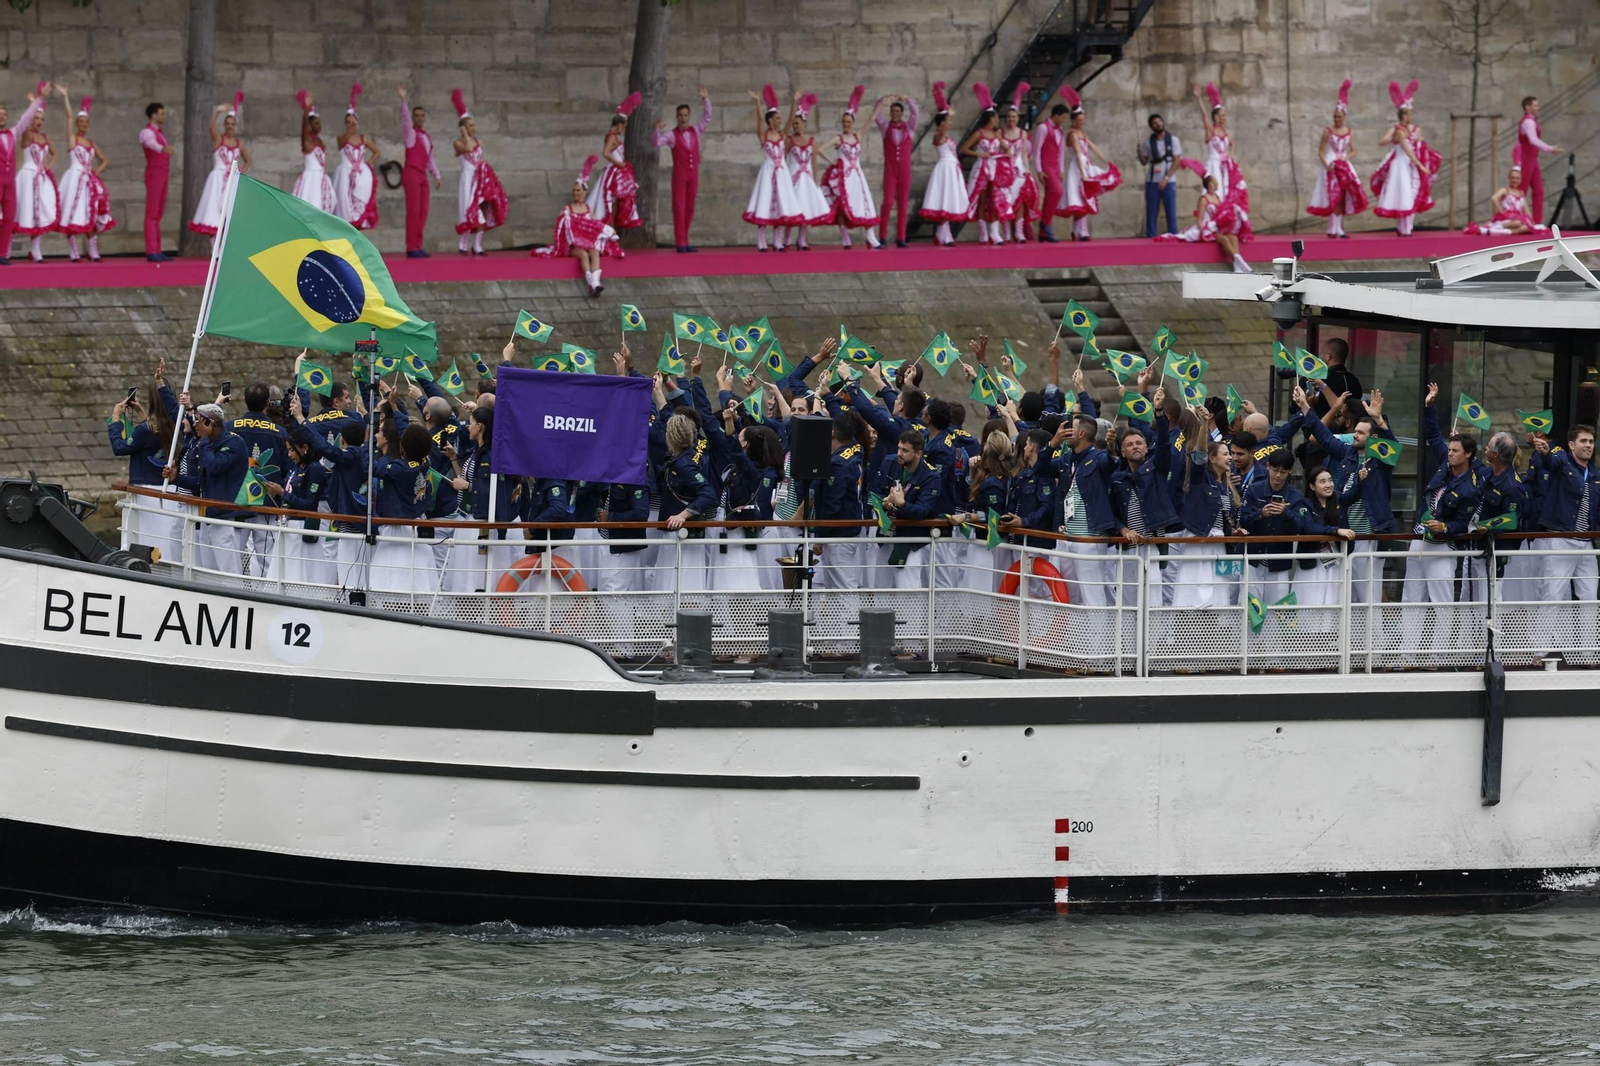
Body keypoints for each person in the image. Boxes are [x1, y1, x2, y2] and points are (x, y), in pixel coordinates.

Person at [1295, 384, 1396, 605]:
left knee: (1368, 598)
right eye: (1356, 431)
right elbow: (1325, 437)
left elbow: (1392, 446)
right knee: (1349, 598)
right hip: (1347, 536)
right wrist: (1304, 406)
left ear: (1373, 437)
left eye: (1360, 433)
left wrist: (1379, 421)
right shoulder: (1349, 454)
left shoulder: (1381, 461)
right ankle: (1352, 641)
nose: (1355, 435)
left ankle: (1374, 640)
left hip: (1369, 535)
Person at [1241, 449, 1355, 641]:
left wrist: (1285, 512)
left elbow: (1300, 527)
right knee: (1251, 605)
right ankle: (1248, 655)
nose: (1278, 475)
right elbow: (1243, 520)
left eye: (1283, 472)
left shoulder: (1294, 496)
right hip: (1254, 557)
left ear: (1289, 472)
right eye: (1275, 470)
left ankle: (1274, 656)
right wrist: (1261, 513)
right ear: (1267, 467)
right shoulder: (1254, 490)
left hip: (1280, 560)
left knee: (1280, 607)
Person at [1529, 423, 1600, 665]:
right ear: (1572, 444)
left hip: (1586, 542)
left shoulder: (1596, 474)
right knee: (1553, 595)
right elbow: (1552, 461)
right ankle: (1539, 653)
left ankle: (1589, 654)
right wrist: (1545, 450)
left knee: (1590, 597)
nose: (1588, 446)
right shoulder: (1562, 461)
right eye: (1583, 441)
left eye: (1591, 442)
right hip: (1561, 538)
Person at [163, 402, 248, 577]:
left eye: (199, 420)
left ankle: (236, 598)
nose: (195, 424)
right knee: (207, 571)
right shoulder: (205, 444)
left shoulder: (233, 443)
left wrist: (204, 440)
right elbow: (200, 482)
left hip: (224, 516)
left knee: (228, 570)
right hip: (206, 516)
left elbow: (214, 466)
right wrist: (176, 478)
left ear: (211, 423)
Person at [1173, 407, 1241, 612]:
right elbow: (1200, 456)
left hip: (1219, 543)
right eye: (1225, 454)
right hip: (1199, 540)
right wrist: (1203, 425)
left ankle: (1213, 637)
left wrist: (1235, 530)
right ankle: (1188, 637)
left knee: (1219, 594)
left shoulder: (1228, 487)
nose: (1230, 458)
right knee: (1193, 593)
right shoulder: (1200, 479)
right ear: (1212, 459)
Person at [1054, 410, 1118, 610]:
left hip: (1090, 537)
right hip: (1069, 537)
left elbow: (1110, 463)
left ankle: (1098, 641)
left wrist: (1112, 448)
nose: (1066, 431)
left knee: (1092, 594)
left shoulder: (1098, 457)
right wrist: (1052, 444)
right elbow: (1040, 468)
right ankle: (1077, 640)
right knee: (1073, 594)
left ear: (1081, 433)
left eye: (1070, 428)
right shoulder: (1068, 459)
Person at [532, 157, 619, 296]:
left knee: (595, 252)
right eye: (574, 190)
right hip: (575, 246)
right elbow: (562, 229)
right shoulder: (567, 209)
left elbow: (592, 227)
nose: (575, 193)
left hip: (588, 243)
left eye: (578, 190)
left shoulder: (588, 209)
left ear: (584, 192)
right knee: (584, 255)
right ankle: (592, 283)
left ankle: (596, 282)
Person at [872, 430, 942, 589]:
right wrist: (883, 504)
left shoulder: (931, 476)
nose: (899, 453)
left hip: (911, 538)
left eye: (904, 450)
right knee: (880, 587)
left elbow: (923, 511)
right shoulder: (889, 462)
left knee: (908, 589)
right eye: (898, 448)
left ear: (918, 453)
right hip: (886, 534)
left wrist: (902, 504)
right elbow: (874, 491)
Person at [1371, 79, 1440, 237]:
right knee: (1403, 195)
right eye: (1410, 113)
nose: (1412, 116)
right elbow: (1403, 149)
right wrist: (1394, 139)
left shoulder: (1415, 130)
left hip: (1410, 165)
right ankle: (1404, 228)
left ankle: (1406, 227)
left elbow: (1419, 146)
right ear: (1404, 115)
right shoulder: (1398, 131)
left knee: (1412, 194)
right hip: (1402, 164)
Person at [1156, 164, 1251, 273]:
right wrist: (1203, 230)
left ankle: (1237, 264)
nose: (1217, 184)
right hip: (1208, 227)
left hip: (1217, 227)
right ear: (1210, 185)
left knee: (1233, 237)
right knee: (1224, 239)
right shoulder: (1203, 199)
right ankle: (1238, 261)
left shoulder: (1217, 198)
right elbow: (1200, 218)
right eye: (1214, 183)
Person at [55, 89, 115, 262]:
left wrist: (95, 171)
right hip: (74, 178)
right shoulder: (72, 139)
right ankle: (73, 250)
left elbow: (104, 160)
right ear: (76, 123)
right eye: (80, 121)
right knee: (72, 212)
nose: (83, 124)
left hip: (88, 180)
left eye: (86, 122)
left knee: (91, 212)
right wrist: (66, 96)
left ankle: (92, 249)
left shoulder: (91, 143)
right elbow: (67, 116)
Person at [821, 86, 882, 249]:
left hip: (857, 176)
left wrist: (881, 105)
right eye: (844, 122)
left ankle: (871, 237)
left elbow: (870, 121)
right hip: (845, 176)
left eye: (849, 122)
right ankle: (845, 237)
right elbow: (820, 149)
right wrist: (832, 162)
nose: (846, 124)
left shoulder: (857, 136)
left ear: (853, 123)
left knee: (865, 203)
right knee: (843, 206)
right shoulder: (838, 139)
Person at [652, 86, 711, 253]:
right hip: (679, 173)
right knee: (679, 207)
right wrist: (657, 130)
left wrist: (705, 100)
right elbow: (656, 142)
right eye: (681, 116)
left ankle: (685, 239)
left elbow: (707, 118)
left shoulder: (695, 130)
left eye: (686, 115)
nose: (683, 118)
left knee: (690, 207)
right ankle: (680, 242)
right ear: (677, 117)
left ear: (689, 116)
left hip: (693, 172)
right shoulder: (672, 135)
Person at [450, 88, 508, 256]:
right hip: (468, 179)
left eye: (474, 125)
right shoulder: (458, 143)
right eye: (470, 126)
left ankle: (477, 245)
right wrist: (464, 135)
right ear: (463, 128)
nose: (474, 128)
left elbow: (478, 156)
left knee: (481, 209)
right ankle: (463, 244)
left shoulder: (479, 141)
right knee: (469, 211)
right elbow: (468, 148)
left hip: (480, 180)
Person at [742, 85, 800, 252]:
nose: (779, 121)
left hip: (781, 172)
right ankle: (761, 240)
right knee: (765, 202)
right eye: (776, 118)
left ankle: (778, 240)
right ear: (770, 120)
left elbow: (790, 119)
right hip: (768, 171)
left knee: (781, 203)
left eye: (779, 119)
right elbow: (760, 121)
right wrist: (758, 102)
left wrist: (794, 101)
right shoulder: (764, 136)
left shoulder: (782, 135)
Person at [1306, 80, 1367, 238]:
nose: (1336, 120)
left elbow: (1354, 150)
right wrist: (1326, 165)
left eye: (1339, 117)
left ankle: (1338, 227)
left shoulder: (1349, 132)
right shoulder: (1328, 131)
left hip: (1343, 165)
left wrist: (1345, 158)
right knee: (1332, 194)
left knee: (1342, 195)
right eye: (1335, 117)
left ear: (1344, 117)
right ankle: (1332, 227)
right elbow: (1320, 151)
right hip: (1331, 164)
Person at [1059, 85, 1119, 242]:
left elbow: (1093, 147)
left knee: (1085, 199)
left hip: (1086, 164)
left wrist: (1106, 160)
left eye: (1083, 120)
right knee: (1080, 199)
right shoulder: (1072, 134)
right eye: (1079, 120)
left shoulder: (1082, 133)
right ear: (1073, 120)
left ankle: (1078, 231)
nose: (1081, 123)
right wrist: (1083, 172)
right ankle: (1080, 231)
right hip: (1078, 168)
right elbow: (1078, 153)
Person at [189, 95, 249, 243]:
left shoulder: (239, 143)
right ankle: (214, 249)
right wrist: (217, 112)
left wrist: (241, 172)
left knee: (229, 212)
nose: (230, 126)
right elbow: (210, 127)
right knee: (214, 212)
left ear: (236, 126)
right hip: (217, 179)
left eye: (232, 124)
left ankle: (226, 248)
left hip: (231, 180)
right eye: (227, 123)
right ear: (224, 125)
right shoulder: (218, 139)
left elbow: (248, 160)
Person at [959, 83, 1014, 245]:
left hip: (996, 169)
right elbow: (964, 149)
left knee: (996, 198)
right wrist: (980, 154)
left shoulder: (997, 134)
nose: (998, 120)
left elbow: (1006, 148)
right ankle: (983, 233)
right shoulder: (979, 133)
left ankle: (995, 233)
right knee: (982, 200)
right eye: (996, 118)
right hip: (982, 168)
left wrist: (1007, 151)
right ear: (991, 119)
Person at [0, 82, 48, 265]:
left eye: (4, 114)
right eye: (0, 114)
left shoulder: (13, 133)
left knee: (9, 218)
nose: (2, 117)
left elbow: (27, 118)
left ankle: (2, 254)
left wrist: (39, 99)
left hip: (10, 183)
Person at [13, 84, 58, 262]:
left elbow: (55, 154)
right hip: (27, 176)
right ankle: (5, 248)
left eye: (41, 119)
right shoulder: (27, 135)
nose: (39, 121)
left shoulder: (44, 137)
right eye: (36, 118)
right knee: (20, 211)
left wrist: (47, 168)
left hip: (40, 178)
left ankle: (35, 249)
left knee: (39, 213)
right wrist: (34, 103)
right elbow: (23, 124)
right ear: (31, 119)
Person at [918, 83, 968, 246]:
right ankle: (944, 234)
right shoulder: (938, 137)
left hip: (952, 170)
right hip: (944, 169)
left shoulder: (947, 136)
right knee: (943, 200)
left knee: (948, 201)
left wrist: (947, 113)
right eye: (947, 122)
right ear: (941, 123)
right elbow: (940, 132)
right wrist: (946, 113)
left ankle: (942, 232)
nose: (950, 124)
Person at [397, 85, 443, 257]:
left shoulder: (426, 137)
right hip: (411, 172)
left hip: (422, 174)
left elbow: (430, 159)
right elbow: (405, 121)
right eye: (416, 115)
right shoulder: (411, 135)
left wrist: (437, 176)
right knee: (414, 211)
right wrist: (403, 101)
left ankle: (418, 244)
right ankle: (411, 246)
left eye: (422, 115)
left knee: (423, 212)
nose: (419, 118)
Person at [587, 92, 642, 233]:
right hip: (614, 171)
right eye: (623, 127)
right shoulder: (612, 137)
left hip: (616, 171)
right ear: (618, 126)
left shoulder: (612, 136)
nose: (623, 130)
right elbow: (605, 153)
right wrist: (618, 164)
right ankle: (609, 230)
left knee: (615, 202)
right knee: (610, 203)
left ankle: (611, 231)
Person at [784, 94, 833, 251]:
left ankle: (802, 239)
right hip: (794, 176)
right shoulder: (789, 141)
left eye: (798, 124)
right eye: (794, 124)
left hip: (807, 177)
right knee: (792, 208)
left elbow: (814, 161)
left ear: (804, 124)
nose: (795, 126)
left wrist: (816, 178)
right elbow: (783, 158)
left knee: (806, 207)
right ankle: (786, 239)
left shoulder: (811, 141)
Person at [871, 92, 919, 248]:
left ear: (902, 114)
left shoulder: (909, 127)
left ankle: (901, 237)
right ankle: (883, 236)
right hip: (890, 168)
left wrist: (907, 99)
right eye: (892, 112)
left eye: (898, 111)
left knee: (903, 202)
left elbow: (915, 113)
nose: (895, 114)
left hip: (905, 169)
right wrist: (883, 101)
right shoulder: (885, 127)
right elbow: (876, 114)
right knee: (888, 201)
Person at [1193, 83, 1247, 211]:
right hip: (1214, 164)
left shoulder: (1225, 132)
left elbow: (1232, 143)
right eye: (1223, 115)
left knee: (1227, 189)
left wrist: (1231, 156)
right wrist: (1199, 99)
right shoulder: (1211, 130)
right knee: (1216, 189)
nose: (1225, 118)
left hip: (1224, 164)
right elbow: (1204, 116)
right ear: (1216, 117)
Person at [333, 84, 379, 231]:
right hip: (345, 174)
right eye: (348, 122)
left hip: (361, 175)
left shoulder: (363, 138)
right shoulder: (341, 137)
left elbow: (377, 151)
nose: (351, 125)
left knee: (360, 204)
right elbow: (343, 142)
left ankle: (358, 231)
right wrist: (349, 129)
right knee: (345, 205)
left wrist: (367, 164)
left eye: (353, 122)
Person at [1000, 84, 1041, 243]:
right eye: (1009, 117)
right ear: (1006, 118)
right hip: (1004, 169)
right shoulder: (1000, 133)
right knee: (1005, 200)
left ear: (1018, 118)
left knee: (1021, 199)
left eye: (1014, 117)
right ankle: (1006, 232)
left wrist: (1027, 169)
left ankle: (1018, 231)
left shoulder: (1023, 133)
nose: (1011, 120)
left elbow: (1024, 153)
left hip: (1018, 168)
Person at [1466, 165, 1549, 236]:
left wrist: (1532, 220)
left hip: (1519, 217)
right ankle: (1497, 226)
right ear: (1509, 178)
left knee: (1527, 227)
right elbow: (1494, 198)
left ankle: (1505, 232)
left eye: (1517, 178)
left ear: (1520, 180)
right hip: (1507, 217)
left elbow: (1526, 209)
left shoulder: (1521, 193)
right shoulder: (1505, 190)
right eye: (1513, 178)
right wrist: (1501, 212)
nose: (1515, 180)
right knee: (1518, 223)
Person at [138, 99, 172, 262]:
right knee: (152, 212)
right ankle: (151, 250)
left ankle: (157, 248)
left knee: (158, 212)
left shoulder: (160, 132)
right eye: (161, 113)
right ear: (153, 115)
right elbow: (149, 143)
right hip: (154, 172)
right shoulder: (147, 132)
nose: (164, 116)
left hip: (163, 172)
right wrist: (162, 148)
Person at [1516, 95, 1560, 223]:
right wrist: (1550, 148)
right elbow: (1533, 140)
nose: (1538, 108)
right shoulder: (1528, 122)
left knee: (1539, 190)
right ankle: (1519, 219)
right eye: (1535, 105)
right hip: (1527, 158)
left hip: (1532, 158)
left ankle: (1537, 221)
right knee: (1522, 190)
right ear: (1527, 107)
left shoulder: (1531, 121)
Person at [291, 91, 336, 214]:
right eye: (316, 123)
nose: (319, 125)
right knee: (311, 205)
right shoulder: (307, 140)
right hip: (311, 179)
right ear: (310, 125)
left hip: (322, 178)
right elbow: (304, 127)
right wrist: (306, 109)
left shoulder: (319, 140)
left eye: (319, 122)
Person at [1136, 112, 1181, 238]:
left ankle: (1173, 237)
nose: (1158, 124)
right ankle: (1151, 238)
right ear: (1152, 126)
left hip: (1168, 180)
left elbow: (1177, 161)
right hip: (1152, 181)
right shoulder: (1148, 142)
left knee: (1171, 212)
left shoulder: (1173, 140)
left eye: (1159, 122)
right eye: (1155, 123)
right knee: (1151, 213)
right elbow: (1144, 161)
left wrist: (1167, 178)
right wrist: (1139, 153)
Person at [1032, 99, 1069, 242]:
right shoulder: (1043, 128)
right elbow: (1037, 150)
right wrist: (1039, 170)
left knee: (1051, 195)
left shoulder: (1060, 130)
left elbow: (1060, 152)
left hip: (1054, 166)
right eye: (1063, 118)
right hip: (1046, 164)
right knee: (1057, 192)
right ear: (1057, 115)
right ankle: (1045, 222)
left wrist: (1061, 170)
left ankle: (1043, 232)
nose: (1064, 121)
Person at [1310, 338, 1362, 418]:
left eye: (1323, 354)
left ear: (1328, 356)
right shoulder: (1355, 381)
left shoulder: (1321, 380)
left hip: (1322, 426)